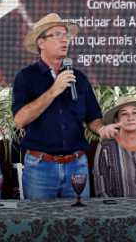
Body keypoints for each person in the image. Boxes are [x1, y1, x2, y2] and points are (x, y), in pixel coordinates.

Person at [12, 13, 111, 200]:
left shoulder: (79, 78)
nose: (65, 39)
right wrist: (54, 89)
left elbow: (93, 117)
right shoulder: (25, 77)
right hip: (40, 166)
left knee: (77, 225)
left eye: (67, 35)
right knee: (38, 226)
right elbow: (20, 119)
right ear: (41, 43)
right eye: (57, 35)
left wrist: (102, 128)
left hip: (77, 165)